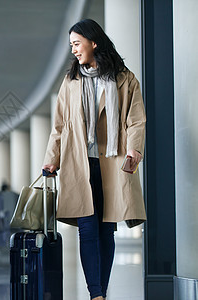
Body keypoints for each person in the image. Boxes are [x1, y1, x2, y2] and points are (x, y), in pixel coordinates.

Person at [42, 19, 146, 300]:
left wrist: (135, 149)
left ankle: (101, 290)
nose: (74, 50)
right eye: (72, 45)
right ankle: (96, 294)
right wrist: (52, 159)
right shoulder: (71, 81)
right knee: (87, 230)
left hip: (112, 164)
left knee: (106, 231)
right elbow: (60, 125)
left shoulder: (124, 78)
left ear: (93, 42)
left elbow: (136, 120)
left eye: (77, 43)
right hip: (80, 164)